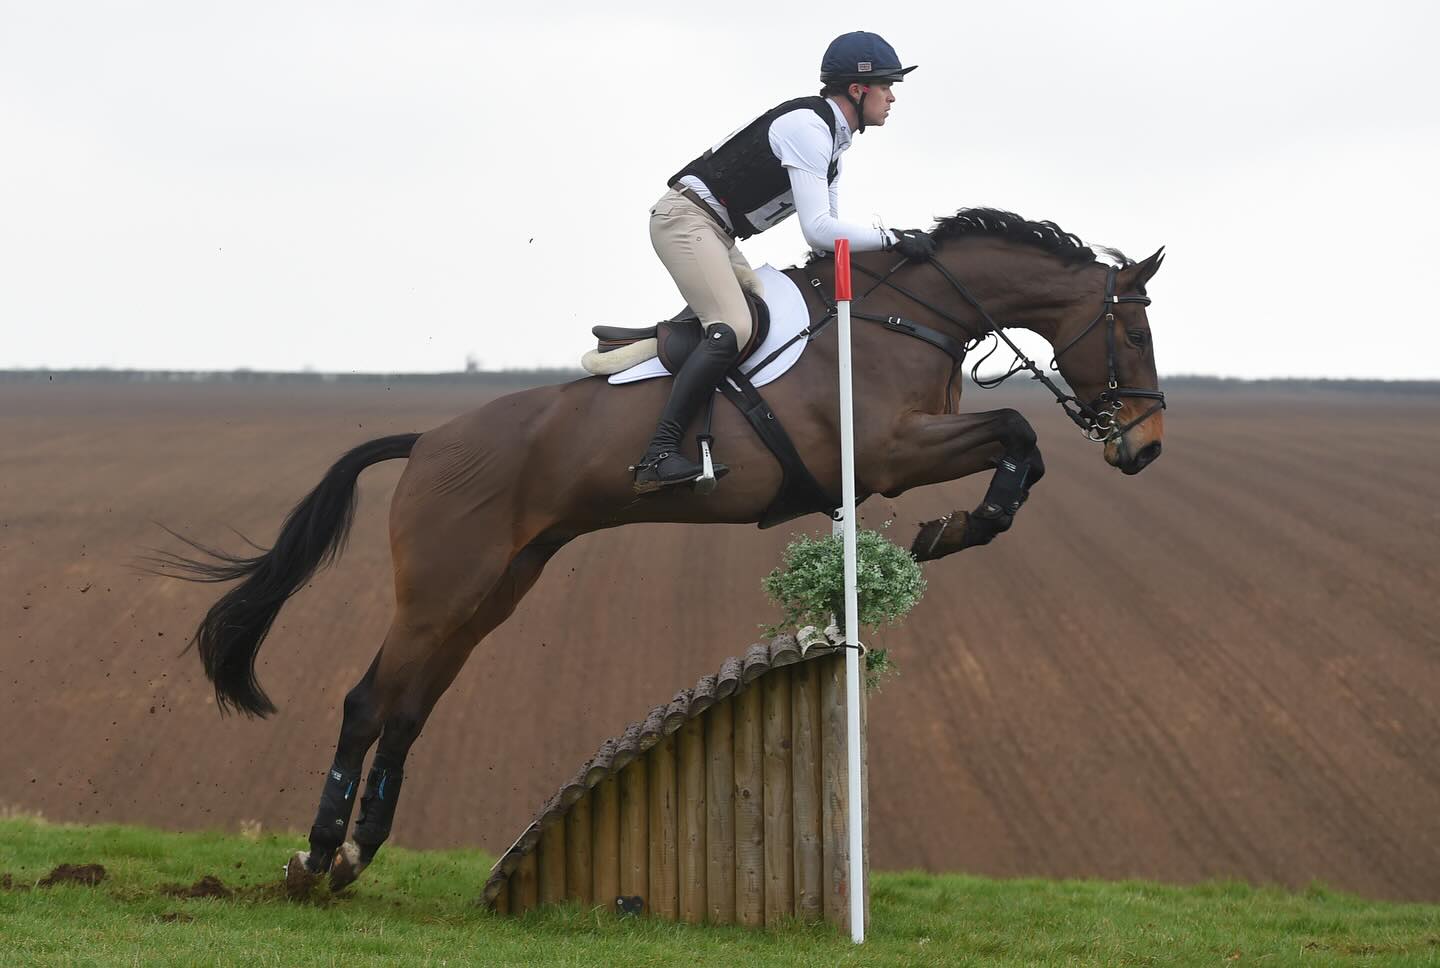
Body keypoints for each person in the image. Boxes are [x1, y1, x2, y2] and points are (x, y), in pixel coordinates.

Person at [632, 30, 938, 495]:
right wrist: (893, 237)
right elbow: (818, 230)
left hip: (714, 229)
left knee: (766, 311)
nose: (893, 97)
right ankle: (658, 452)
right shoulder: (809, 129)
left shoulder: (833, 141)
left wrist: (888, 249)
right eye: (887, 86)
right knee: (733, 325)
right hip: (686, 220)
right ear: (858, 90)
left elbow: (826, 237)